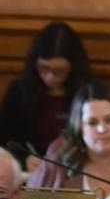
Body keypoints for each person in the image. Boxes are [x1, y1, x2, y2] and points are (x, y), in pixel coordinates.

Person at [0, 21, 92, 172]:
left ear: (73, 67)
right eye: (43, 68)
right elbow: (5, 140)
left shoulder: (88, 92)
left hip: (77, 171)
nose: (50, 77)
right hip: (30, 173)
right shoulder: (19, 90)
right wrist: (23, 160)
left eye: (59, 71)